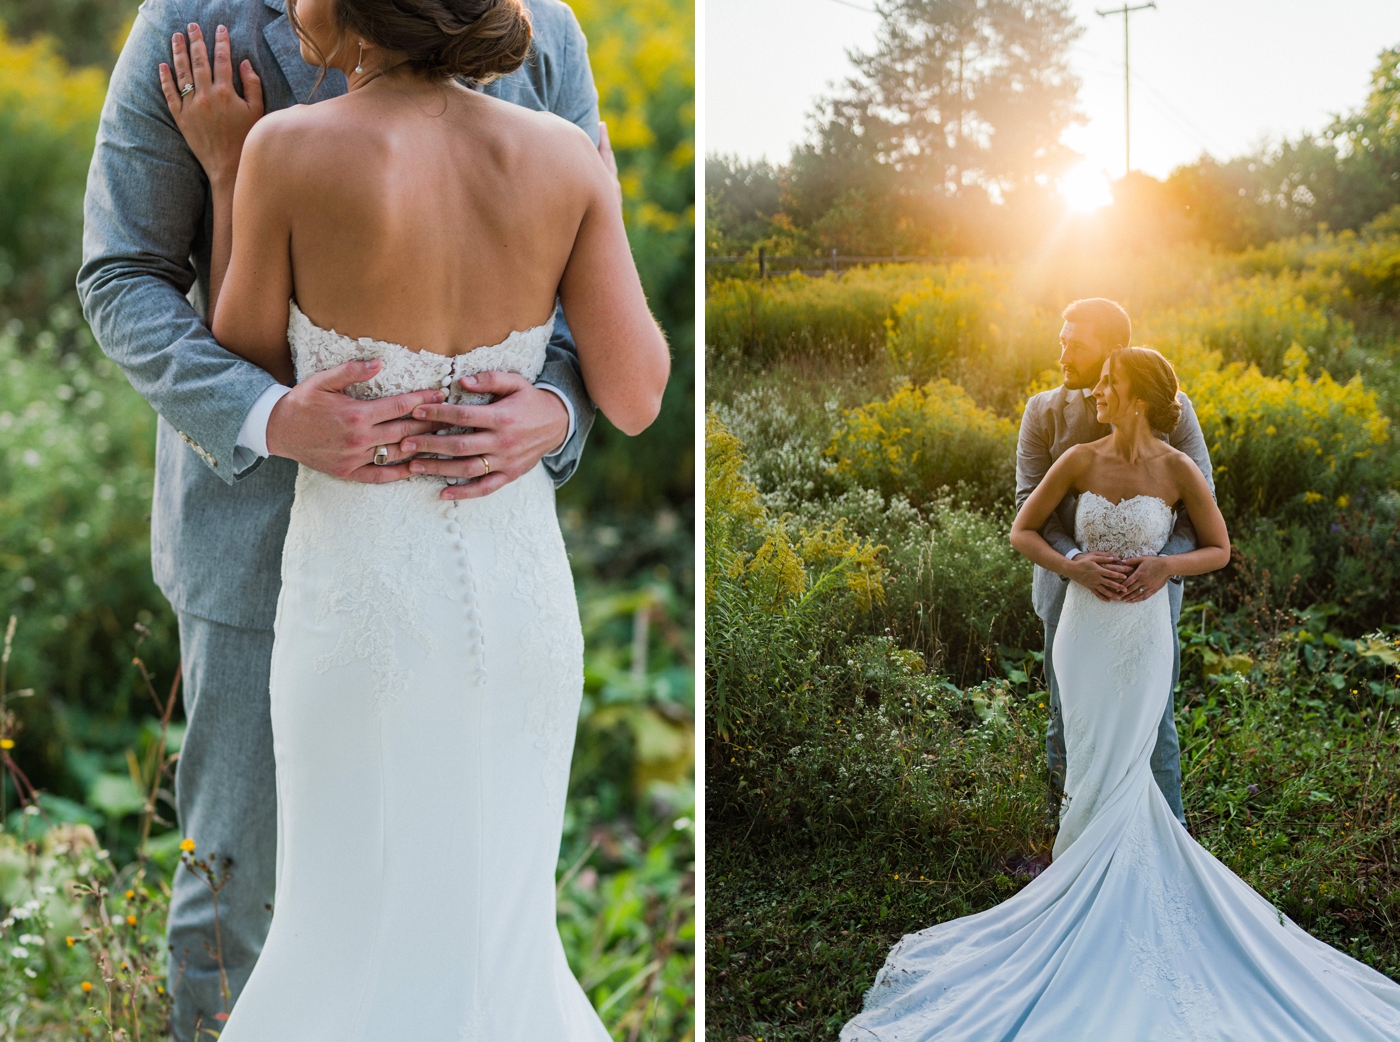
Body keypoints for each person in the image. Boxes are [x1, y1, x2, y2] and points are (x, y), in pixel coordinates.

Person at [77, 0, 667, 1037]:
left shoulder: (540, 32)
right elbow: (121, 276)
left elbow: (583, 340)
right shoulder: (187, 18)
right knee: (246, 889)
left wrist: (552, 406)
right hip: (303, 560)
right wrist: (270, 420)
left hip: (446, 547)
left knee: (474, 898)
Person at [842, 348, 1400, 1040]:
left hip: (1141, 637)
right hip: (1084, 635)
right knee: (1087, 764)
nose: (1096, 392)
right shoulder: (1078, 459)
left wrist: (1167, 564)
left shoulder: (1176, 468)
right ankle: (1072, 901)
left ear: (1135, 395)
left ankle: (1121, 903)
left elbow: (1220, 548)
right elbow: (1021, 530)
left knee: (1130, 764)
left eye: (1108, 383)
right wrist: (1074, 564)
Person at [1015, 298, 1210, 829]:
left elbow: (1201, 502)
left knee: (1156, 722)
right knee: (1067, 717)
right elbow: (1031, 507)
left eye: (1075, 344)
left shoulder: (1171, 406)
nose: (1063, 353)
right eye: (1062, 340)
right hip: (1070, 593)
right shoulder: (1042, 412)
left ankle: (1170, 839)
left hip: (1148, 598)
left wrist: (1156, 566)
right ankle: (1068, 839)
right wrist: (1076, 562)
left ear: (1114, 353)